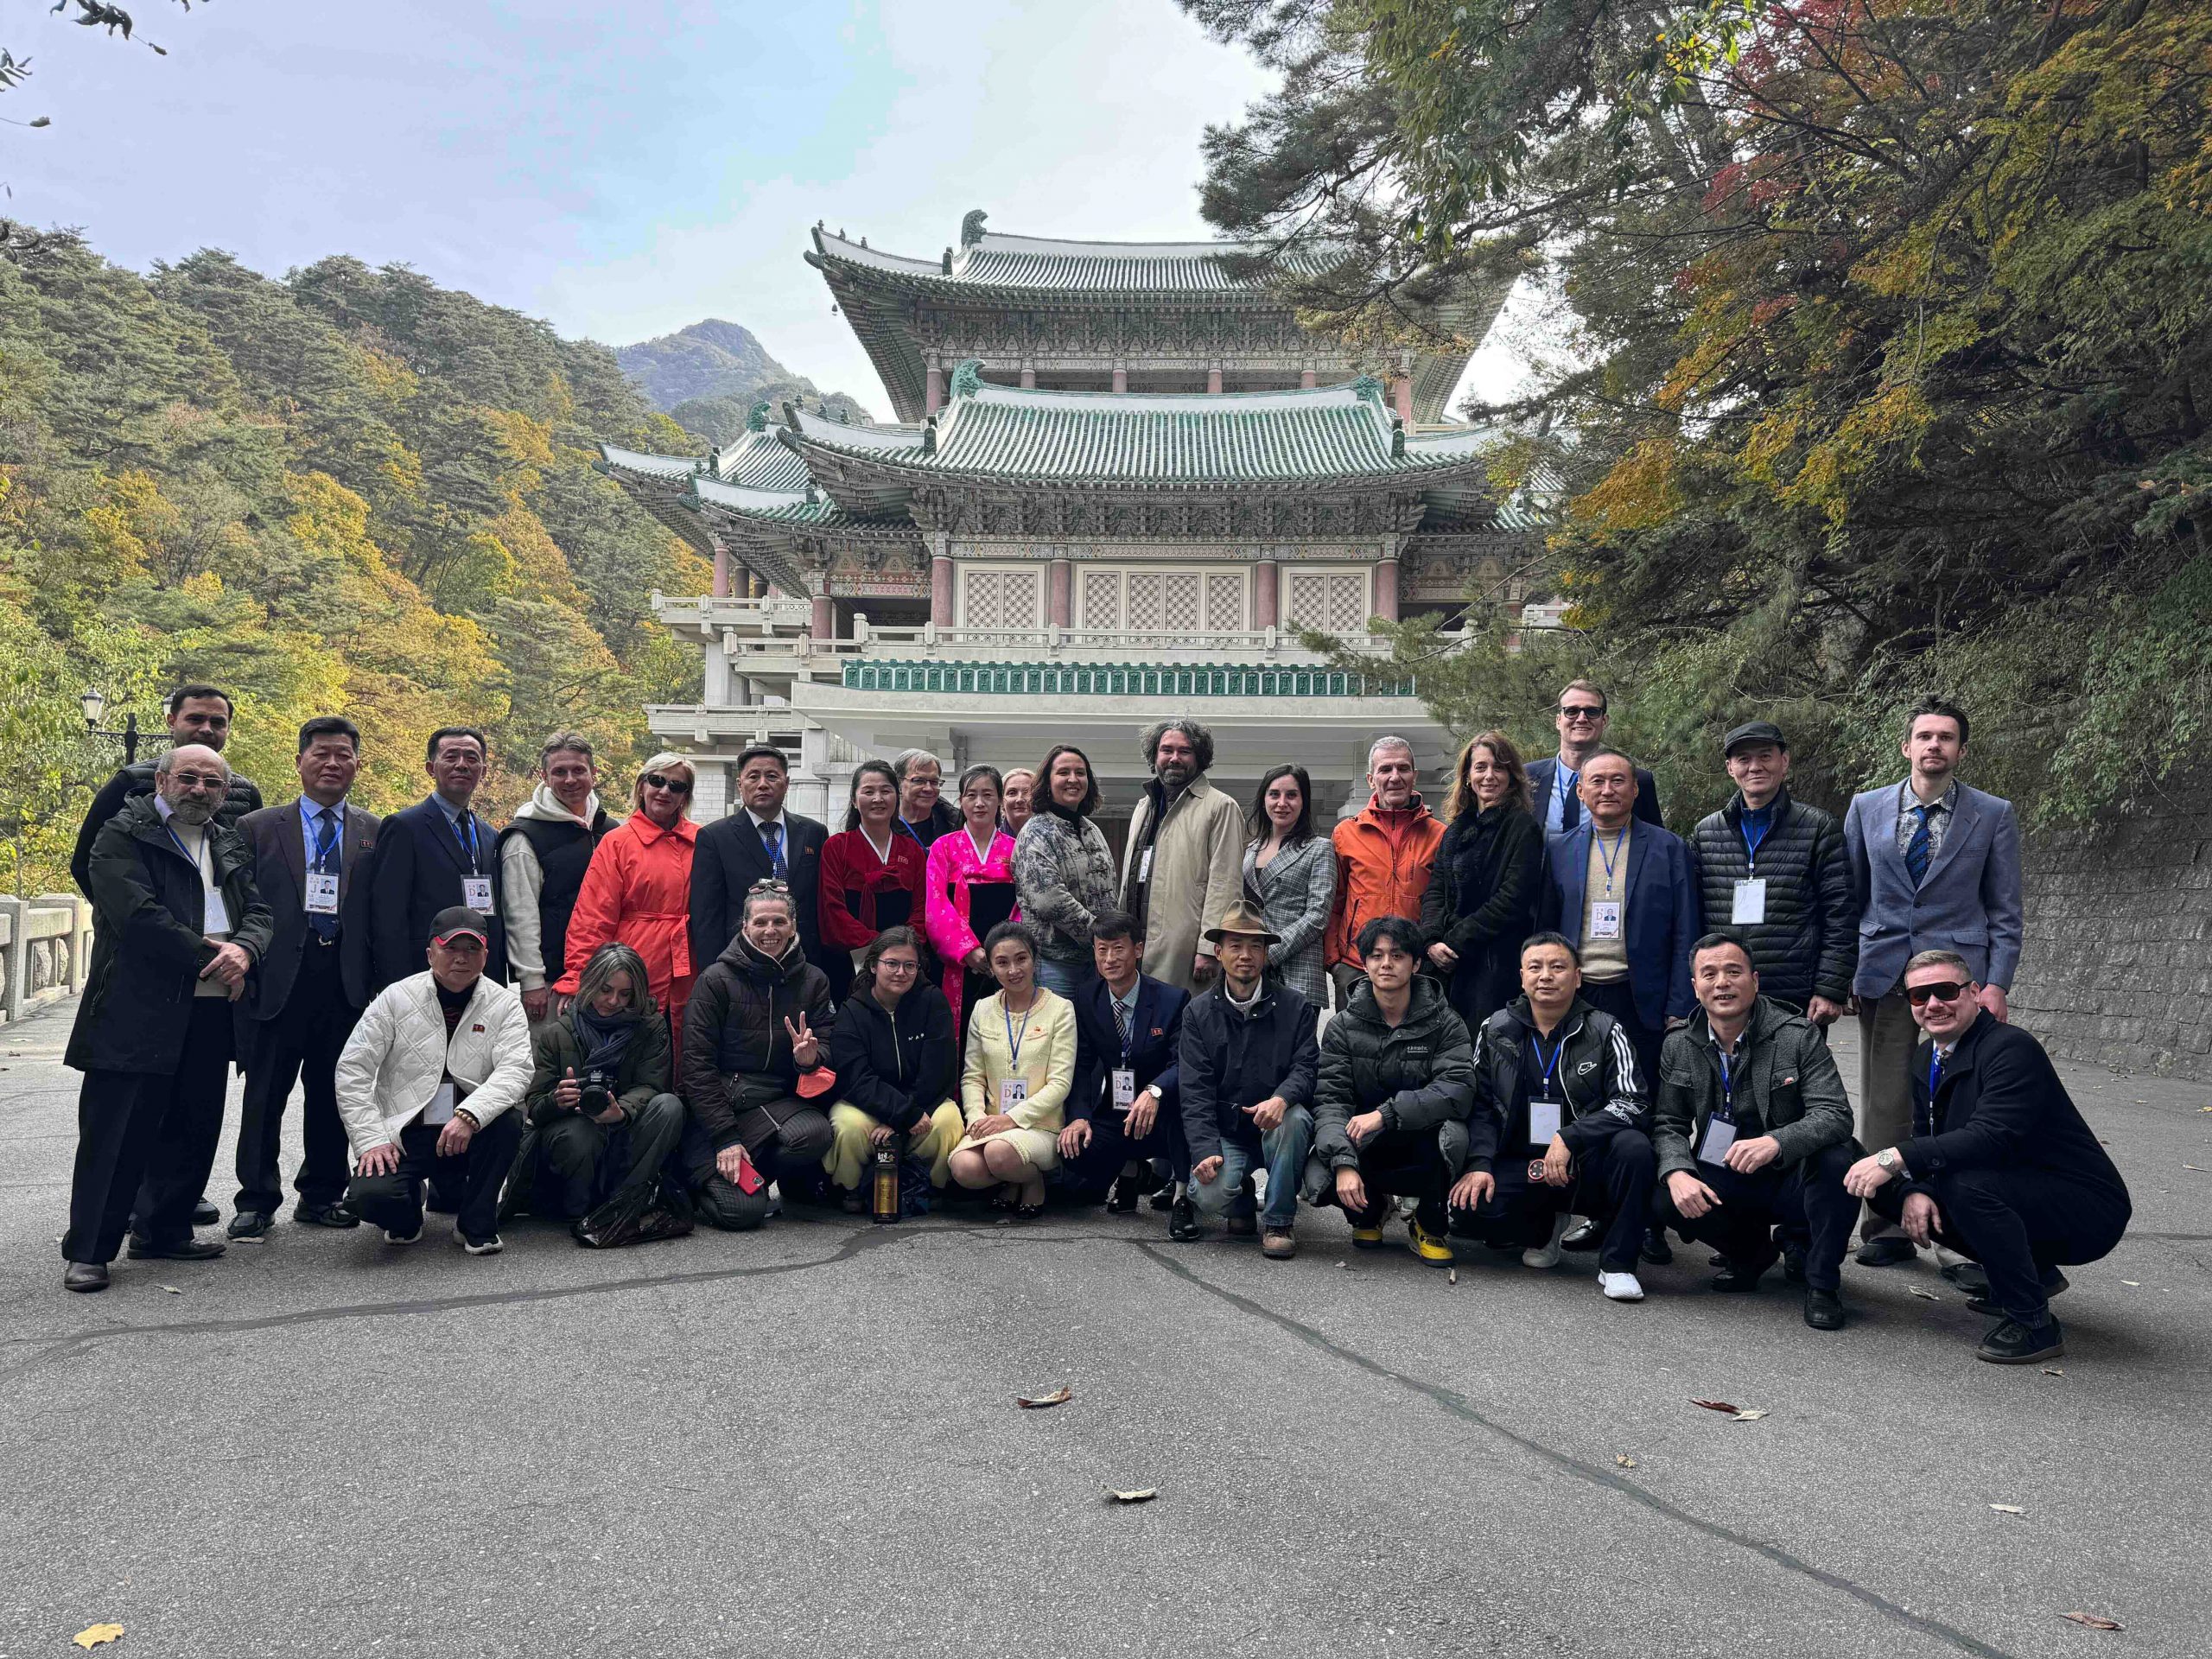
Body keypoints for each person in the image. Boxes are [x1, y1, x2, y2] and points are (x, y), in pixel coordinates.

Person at [1843, 950, 2130, 1364]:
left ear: (1974, 992)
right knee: (1888, 1187)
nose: (1933, 1004)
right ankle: (2031, 1274)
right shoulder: (1927, 1056)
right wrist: (1915, 1190)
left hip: (2085, 1207)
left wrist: (1895, 1156)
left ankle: (2034, 1323)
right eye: (1920, 996)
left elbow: (1992, 1136)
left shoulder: (2011, 1049)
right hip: (2014, 1187)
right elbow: (1928, 1136)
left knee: (1964, 1185)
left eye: (1945, 991)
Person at [60, 745, 274, 1292]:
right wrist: (215, 958)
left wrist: (247, 949)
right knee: (117, 1133)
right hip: (137, 1007)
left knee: (193, 1125)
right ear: (161, 781)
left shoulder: (225, 840)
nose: (199, 789)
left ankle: (164, 1229)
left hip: (212, 1009)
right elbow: (137, 916)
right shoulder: (123, 833)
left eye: (211, 782)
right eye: (188, 778)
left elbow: (258, 909)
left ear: (223, 794)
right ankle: (89, 1250)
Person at [1844, 699, 2024, 1269]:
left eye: (1946, 737)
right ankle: (1887, 1223)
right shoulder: (1866, 808)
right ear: (1907, 746)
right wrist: (1845, 970)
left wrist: (1995, 984)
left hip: (1958, 980)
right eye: (1924, 736)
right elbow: (1851, 898)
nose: (1934, 745)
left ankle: (1958, 1236)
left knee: (1961, 1107)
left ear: (1961, 750)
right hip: (1885, 973)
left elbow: (2005, 910)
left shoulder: (1992, 814)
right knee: (1886, 1101)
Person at [1651, 933, 1860, 1330]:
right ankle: (1751, 1254)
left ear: (1755, 980)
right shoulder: (1678, 1043)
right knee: (1664, 1192)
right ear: (1695, 986)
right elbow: (1668, 1123)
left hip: (1791, 1173)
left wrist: (1776, 1142)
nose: (1722, 983)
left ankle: (1822, 1282)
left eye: (1734, 972)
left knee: (1840, 1158)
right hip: (1725, 1167)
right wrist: (1677, 1172)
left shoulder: (1797, 1035)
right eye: (1709, 974)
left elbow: (1835, 1114)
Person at [229, 716, 382, 1240]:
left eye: (343, 755)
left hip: (344, 983)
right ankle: (255, 1200)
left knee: (333, 1094)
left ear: (356, 764)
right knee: (264, 1097)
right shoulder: (257, 827)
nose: (332, 763)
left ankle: (321, 1194)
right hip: (277, 982)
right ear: (299, 762)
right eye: (321, 754)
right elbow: (239, 904)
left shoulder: (374, 831)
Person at [1451, 932, 1656, 1301]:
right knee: (1473, 1211)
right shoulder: (1494, 1029)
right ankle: (1545, 1227)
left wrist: (1571, 1136)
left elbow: (1633, 1100)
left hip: (1586, 1158)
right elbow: (1480, 1105)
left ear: (1577, 977)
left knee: (1634, 1148)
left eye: (1557, 967)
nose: (1545, 975)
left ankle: (1618, 1264)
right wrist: (1479, 1163)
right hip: (1523, 1158)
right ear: (1522, 977)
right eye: (1535, 967)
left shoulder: (1605, 1028)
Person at [335, 906, 531, 1255]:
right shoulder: (395, 998)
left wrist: (470, 1115)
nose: (462, 958)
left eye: (472, 949)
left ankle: (475, 1223)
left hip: (468, 1130)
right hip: (407, 1130)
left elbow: (516, 1070)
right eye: (450, 948)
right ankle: (407, 1212)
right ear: (430, 954)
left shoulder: (505, 1004)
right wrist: (372, 1140)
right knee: (369, 1199)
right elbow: (353, 1070)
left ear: (486, 955)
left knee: (509, 1121)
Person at [1311, 915, 1477, 1268]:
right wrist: (1343, 1163)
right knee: (1318, 1172)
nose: (1386, 964)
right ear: (1365, 963)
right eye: (1377, 955)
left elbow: (1457, 1089)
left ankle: (1428, 1224)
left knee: (1454, 1136)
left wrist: (1386, 1115)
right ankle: (1372, 1211)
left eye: (1397, 955)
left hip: (1422, 1138)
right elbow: (1331, 1100)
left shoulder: (1445, 1021)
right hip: (1365, 1139)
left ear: (1415, 964)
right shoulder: (1342, 1026)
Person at [500, 943, 690, 1248]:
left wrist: (621, 1111)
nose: (614, 1001)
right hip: (575, 1134)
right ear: (590, 983)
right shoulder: (558, 1033)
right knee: (580, 1132)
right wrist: (557, 1099)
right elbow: (534, 1106)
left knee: (669, 1106)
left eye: (625, 994)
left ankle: (622, 1202)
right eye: (605, 990)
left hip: (625, 1127)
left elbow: (652, 1085)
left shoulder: (650, 1027)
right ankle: (575, 1209)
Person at [679, 879, 836, 1228]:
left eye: (779, 921)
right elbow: (696, 1067)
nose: (770, 931)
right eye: (761, 922)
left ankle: (755, 1176)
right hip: (720, 1107)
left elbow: (827, 1042)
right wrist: (725, 1137)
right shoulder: (715, 980)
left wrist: (810, 1060)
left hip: (775, 1104)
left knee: (816, 1133)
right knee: (742, 1213)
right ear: (745, 926)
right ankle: (699, 1177)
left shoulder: (814, 980)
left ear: (793, 926)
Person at [1537, 747, 1696, 1090]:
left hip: (1643, 998)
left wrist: (1680, 1005)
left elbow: (1687, 929)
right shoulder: (1559, 850)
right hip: (1579, 995)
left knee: (1643, 1092)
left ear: (1635, 789)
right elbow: (1546, 929)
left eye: (1618, 781)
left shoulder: (1669, 848)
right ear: (1581, 792)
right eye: (1597, 781)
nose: (1607, 790)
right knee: (1580, 1091)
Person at [1687, 721, 1855, 1026]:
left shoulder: (1818, 827)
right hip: (1724, 989)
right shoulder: (1707, 832)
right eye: (1744, 759)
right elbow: (1692, 915)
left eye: (1765, 756)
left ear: (1784, 761)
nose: (1755, 767)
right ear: (1730, 768)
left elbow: (1840, 914)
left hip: (1795, 992)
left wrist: (1830, 988)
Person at [1180, 903, 1319, 1258]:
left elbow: (1306, 1067)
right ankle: (1241, 1200)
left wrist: (1282, 1098)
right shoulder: (1198, 1012)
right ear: (1218, 952)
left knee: (1296, 1119)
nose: (1246, 955)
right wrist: (1205, 1150)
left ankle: (1279, 1221)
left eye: (1255, 946)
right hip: (1227, 1130)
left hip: (1276, 1124)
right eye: (1236, 946)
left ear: (1266, 953)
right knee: (1208, 1194)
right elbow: (1195, 1090)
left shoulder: (1295, 1006)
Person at [556, 755, 699, 1055]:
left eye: (676, 786)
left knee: (687, 1047)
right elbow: (592, 917)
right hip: (633, 965)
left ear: (685, 796)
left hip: (690, 968)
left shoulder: (702, 840)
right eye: (657, 781)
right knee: (633, 1052)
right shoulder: (617, 842)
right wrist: (577, 977)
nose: (665, 791)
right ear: (641, 786)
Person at [71, 682, 264, 899]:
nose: (206, 729)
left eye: (218, 722)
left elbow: (252, 871)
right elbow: (85, 863)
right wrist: (120, 913)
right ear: (172, 721)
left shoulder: (245, 795)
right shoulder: (130, 783)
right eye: (195, 719)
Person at [1058, 908, 1189, 1224]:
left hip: (1165, 1111)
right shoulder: (1087, 997)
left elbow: (1183, 1063)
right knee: (1073, 1151)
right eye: (1102, 949)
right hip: (1117, 1109)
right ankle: (1131, 1171)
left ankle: (1183, 1197)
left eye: (1118, 949)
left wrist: (1155, 1092)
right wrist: (1078, 1117)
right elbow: (1082, 1064)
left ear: (1138, 950)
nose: (1110, 959)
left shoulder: (1172, 1000)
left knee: (1186, 1127)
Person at [823, 928, 965, 1208]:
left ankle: (931, 1189)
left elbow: (940, 1071)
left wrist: (905, 1117)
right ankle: (851, 1190)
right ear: (873, 965)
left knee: (948, 1120)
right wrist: (901, 1113)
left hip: (921, 1102)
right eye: (892, 963)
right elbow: (855, 1078)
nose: (901, 972)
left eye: (910, 965)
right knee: (848, 1125)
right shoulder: (852, 1011)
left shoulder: (932, 1001)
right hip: (869, 1104)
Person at [949, 922, 1077, 1218]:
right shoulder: (982, 1009)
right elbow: (972, 1076)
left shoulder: (1060, 1009)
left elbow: (1060, 1083)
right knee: (963, 1168)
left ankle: (1031, 1180)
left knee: (999, 1153)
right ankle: (1012, 1179)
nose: (1014, 970)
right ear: (991, 968)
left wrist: (1011, 1119)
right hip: (992, 1123)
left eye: (1021, 959)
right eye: (1002, 963)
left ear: (1034, 958)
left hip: (1040, 1126)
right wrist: (977, 1117)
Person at [366, 727, 508, 993]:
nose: (462, 765)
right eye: (451, 756)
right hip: (422, 976)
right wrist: (396, 987)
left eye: (471, 758)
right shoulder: (404, 827)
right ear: (431, 768)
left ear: (483, 771)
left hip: (482, 978)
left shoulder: (490, 835)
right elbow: (388, 916)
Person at [1421, 730, 1546, 1030]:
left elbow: (1512, 899)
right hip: (1446, 965)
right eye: (1480, 767)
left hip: (1493, 965)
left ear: (1511, 776)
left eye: (1499, 767)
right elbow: (1436, 889)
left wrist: (1455, 941)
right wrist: (1432, 940)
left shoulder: (1522, 827)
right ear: (1467, 776)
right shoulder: (1454, 829)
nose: (1489, 776)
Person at [689, 743, 833, 997]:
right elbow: (706, 916)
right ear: (740, 784)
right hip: (741, 966)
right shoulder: (715, 837)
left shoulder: (814, 833)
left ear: (786, 783)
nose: (763, 784)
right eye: (753, 777)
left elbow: (821, 904)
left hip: (803, 965)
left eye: (772, 776)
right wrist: (715, 976)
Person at [1119, 717, 1244, 995]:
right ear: (1154, 756)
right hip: (1134, 942)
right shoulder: (1144, 806)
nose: (1174, 758)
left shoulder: (1220, 807)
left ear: (1200, 758)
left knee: (1179, 1016)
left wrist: (1209, 947)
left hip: (1183, 949)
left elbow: (1225, 885)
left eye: (1184, 751)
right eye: (1167, 750)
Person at [498, 733, 616, 1026]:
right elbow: (520, 914)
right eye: (559, 772)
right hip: (552, 981)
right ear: (544, 777)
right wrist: (531, 981)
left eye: (578, 770)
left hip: (608, 978)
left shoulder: (610, 830)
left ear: (594, 773)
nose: (570, 779)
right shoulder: (525, 836)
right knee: (550, 1053)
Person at [1324, 735, 1446, 1006]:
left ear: (1414, 776)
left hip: (1416, 966)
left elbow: (1444, 902)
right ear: (1371, 779)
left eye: (1403, 768)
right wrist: (1335, 962)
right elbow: (1334, 901)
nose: (1395, 777)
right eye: (1385, 769)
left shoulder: (1439, 835)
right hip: (1356, 965)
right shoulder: (1346, 833)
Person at [924, 763, 1023, 1041]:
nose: (980, 803)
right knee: (957, 1033)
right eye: (971, 795)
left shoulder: (1016, 849)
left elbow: (1024, 904)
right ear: (961, 801)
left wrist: (1003, 952)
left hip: (1005, 958)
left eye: (988, 795)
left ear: (999, 800)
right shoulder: (943, 847)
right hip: (957, 960)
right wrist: (968, 951)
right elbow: (936, 904)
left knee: (1004, 1032)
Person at [1013, 742, 1116, 998]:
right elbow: (1049, 901)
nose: (1073, 779)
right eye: (1063, 772)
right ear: (1047, 782)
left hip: (1098, 960)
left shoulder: (1092, 830)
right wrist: (1102, 936)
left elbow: (1110, 890)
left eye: (1080, 773)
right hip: (1056, 963)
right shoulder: (1035, 832)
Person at [818, 760, 929, 971]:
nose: (878, 799)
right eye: (868, 792)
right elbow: (832, 910)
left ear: (897, 797)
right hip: (850, 958)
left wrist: (903, 947)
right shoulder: (837, 846)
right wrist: (882, 947)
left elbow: (921, 908)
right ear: (854, 800)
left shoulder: (912, 850)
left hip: (904, 960)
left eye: (886, 791)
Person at [1242, 764, 1334, 1013]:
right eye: (1274, 794)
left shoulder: (1319, 848)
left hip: (1298, 970)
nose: (1282, 803)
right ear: (1264, 799)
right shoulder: (1251, 850)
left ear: (1304, 801)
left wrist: (1270, 953)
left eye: (1291, 795)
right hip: (1252, 969)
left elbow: (1318, 915)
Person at [1523, 680, 1663, 835]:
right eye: (1571, 711)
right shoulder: (1526, 778)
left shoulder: (1637, 780)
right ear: (1558, 721)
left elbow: (1655, 842)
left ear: (1604, 721)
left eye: (1592, 711)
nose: (1582, 718)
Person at [892, 747, 959, 846]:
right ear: (898, 783)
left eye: (934, 782)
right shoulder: (882, 823)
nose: (928, 788)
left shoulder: (955, 825)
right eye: (918, 780)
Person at [1001, 768, 1037, 840]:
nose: (1020, 799)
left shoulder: (1052, 839)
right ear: (1001, 802)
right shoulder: (989, 842)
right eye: (1012, 793)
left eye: (1027, 792)